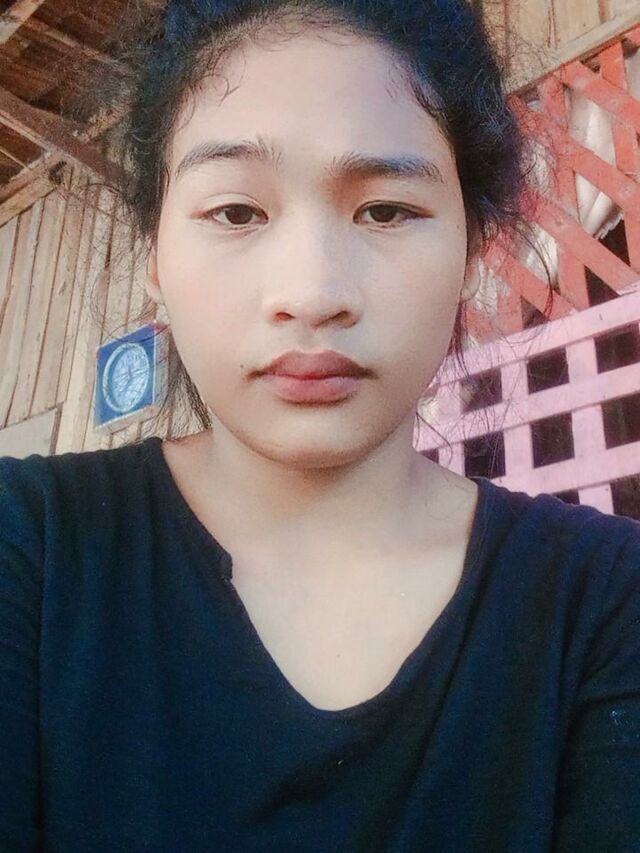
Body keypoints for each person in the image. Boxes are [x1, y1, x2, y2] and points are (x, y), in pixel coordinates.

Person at [1, 0, 639, 850]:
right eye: (236, 212)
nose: (310, 293)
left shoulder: (609, 600)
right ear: (155, 258)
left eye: (386, 210)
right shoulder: (27, 549)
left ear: (471, 248)